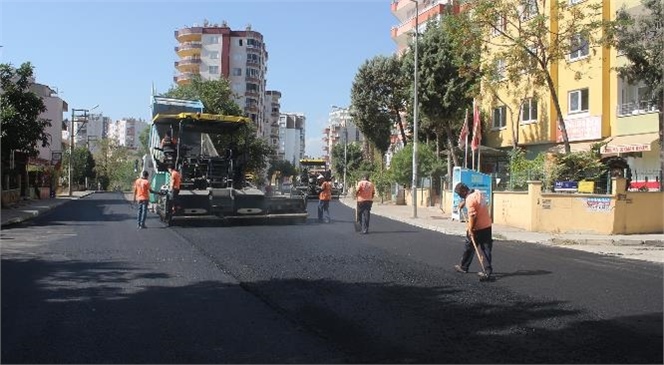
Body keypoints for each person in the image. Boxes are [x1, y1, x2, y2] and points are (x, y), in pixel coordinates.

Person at [453, 182, 493, 281]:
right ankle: (487, 271)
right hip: (487, 225)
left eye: (459, 194)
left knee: (469, 247)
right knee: (486, 249)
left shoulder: (470, 199)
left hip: (477, 227)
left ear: (463, 191)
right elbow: (474, 201)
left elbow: (473, 216)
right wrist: (464, 202)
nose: (460, 196)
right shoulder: (477, 192)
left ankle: (463, 267)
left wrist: (471, 229)